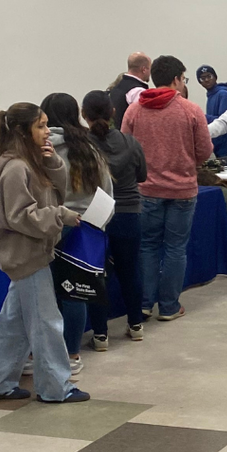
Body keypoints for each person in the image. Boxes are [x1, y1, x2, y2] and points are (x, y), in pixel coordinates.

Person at [0, 103, 88, 404]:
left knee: (14, 323)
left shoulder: (32, 163)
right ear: (23, 132)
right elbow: (21, 216)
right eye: (40, 125)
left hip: (34, 251)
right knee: (46, 324)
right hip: (27, 254)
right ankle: (55, 387)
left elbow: (51, 194)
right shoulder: (16, 169)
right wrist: (59, 215)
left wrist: (52, 165)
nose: (47, 131)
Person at [122, 55, 213, 322]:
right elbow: (205, 151)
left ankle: (145, 303)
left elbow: (126, 146)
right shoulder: (191, 110)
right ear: (176, 79)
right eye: (184, 78)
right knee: (175, 248)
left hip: (146, 189)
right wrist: (187, 162)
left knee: (148, 247)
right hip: (182, 189)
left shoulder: (134, 109)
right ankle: (170, 306)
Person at [40, 92, 114, 374]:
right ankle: (72, 354)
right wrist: (96, 226)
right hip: (84, 228)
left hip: (48, 227)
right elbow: (107, 193)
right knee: (75, 293)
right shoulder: (89, 149)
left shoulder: (41, 150)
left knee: (46, 295)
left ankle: (45, 353)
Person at [81, 90, 147, 348]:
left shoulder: (83, 147)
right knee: (131, 270)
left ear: (83, 115)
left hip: (96, 214)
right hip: (129, 211)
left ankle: (100, 335)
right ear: (113, 112)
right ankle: (136, 325)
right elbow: (142, 176)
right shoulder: (131, 143)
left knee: (97, 273)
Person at [196, 65, 227, 162]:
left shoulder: (223, 94)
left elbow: (224, 121)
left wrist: (202, 117)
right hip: (217, 145)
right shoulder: (211, 95)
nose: (206, 80)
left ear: (215, 77)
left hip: (226, 147)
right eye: (202, 78)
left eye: (209, 76)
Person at [108, 52, 151, 130]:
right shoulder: (137, 91)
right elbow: (142, 120)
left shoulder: (117, 88)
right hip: (130, 138)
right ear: (144, 69)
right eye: (149, 68)